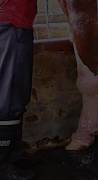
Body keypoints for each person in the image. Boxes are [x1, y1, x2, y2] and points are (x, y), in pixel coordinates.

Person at [0, 0, 37, 179]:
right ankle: (3, 163)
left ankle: (13, 154)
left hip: (16, 24)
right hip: (10, 25)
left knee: (17, 92)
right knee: (9, 96)